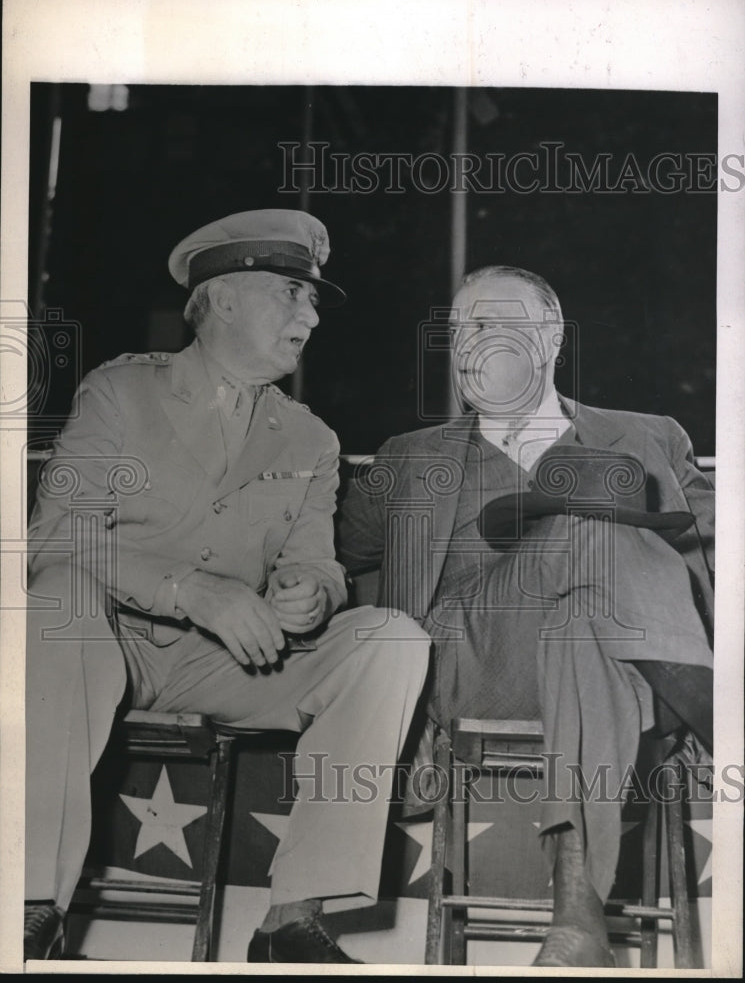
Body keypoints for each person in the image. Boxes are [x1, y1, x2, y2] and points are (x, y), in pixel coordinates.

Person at [24, 209, 431, 964]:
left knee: (388, 639)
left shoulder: (310, 437)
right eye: (292, 293)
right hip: (103, 644)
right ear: (226, 296)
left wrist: (310, 592)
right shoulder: (121, 391)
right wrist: (191, 590)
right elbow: (58, 533)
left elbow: (317, 562)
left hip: (230, 663)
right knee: (55, 595)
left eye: (311, 301)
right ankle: (26, 908)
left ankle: (291, 920)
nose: (310, 316)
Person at [336, 265, 714, 968]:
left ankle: (575, 923)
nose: (470, 343)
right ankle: (706, 700)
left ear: (550, 338)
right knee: (590, 529)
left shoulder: (647, 436)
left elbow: (722, 539)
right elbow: (316, 552)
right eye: (458, 330)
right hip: (470, 661)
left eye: (492, 324)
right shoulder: (409, 457)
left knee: (582, 624)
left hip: (603, 658)